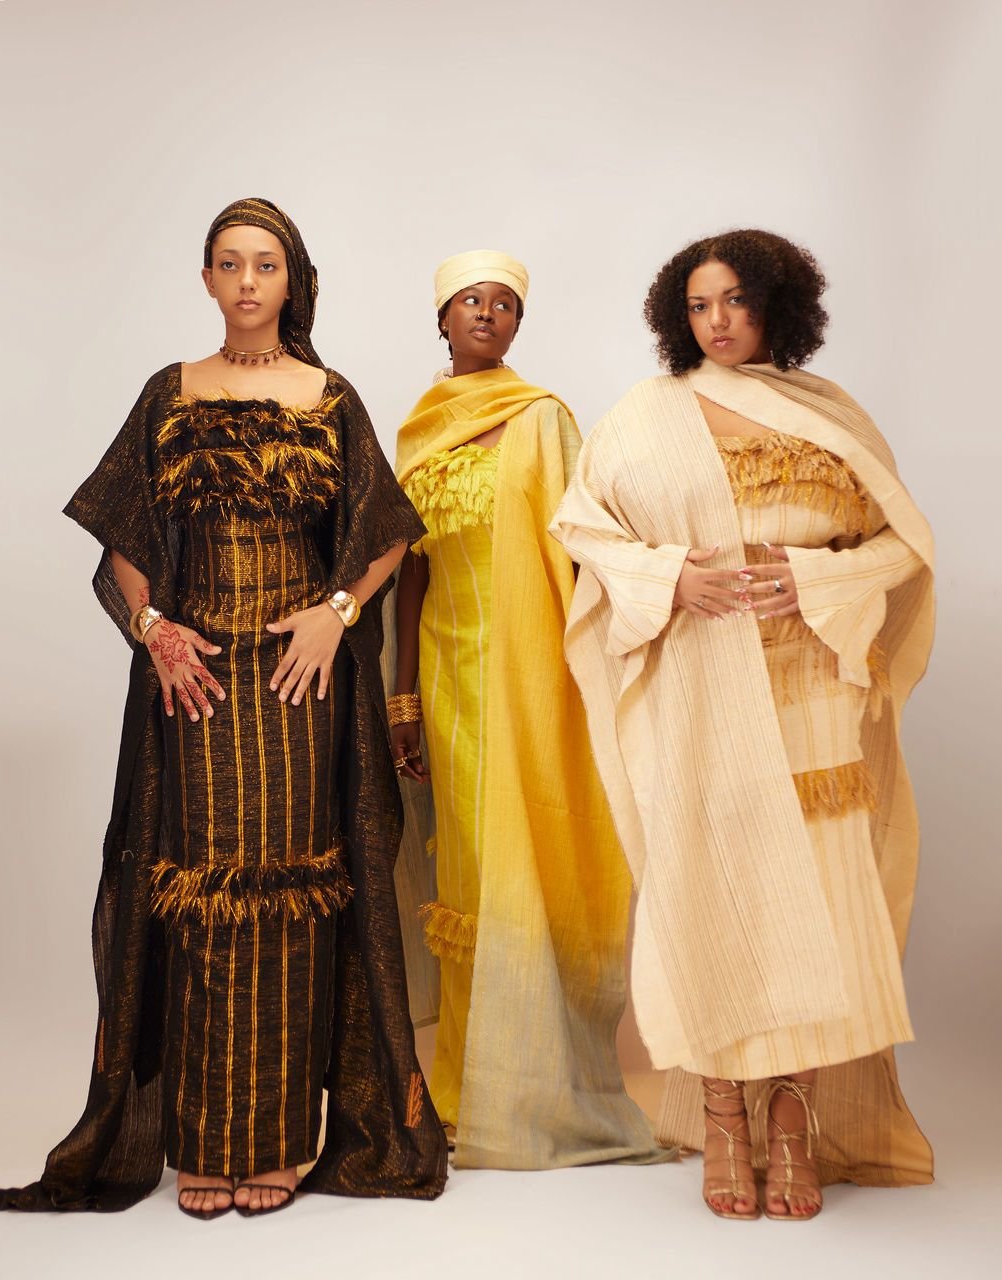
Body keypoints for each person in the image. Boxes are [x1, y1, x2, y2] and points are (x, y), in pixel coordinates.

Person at [0, 198, 446, 1219]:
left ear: (291, 281)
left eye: (264, 264)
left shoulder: (330, 397)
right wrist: (155, 632)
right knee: (193, 897)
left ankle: (275, 1142)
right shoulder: (168, 392)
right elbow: (125, 541)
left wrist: (334, 615)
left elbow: (386, 535)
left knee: (298, 894)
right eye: (229, 264)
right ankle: (207, 1142)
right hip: (195, 683)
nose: (246, 282)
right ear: (205, 279)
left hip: (300, 682)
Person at [551, 229, 934, 1220]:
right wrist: (668, 577)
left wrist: (812, 579)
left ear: (776, 304)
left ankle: (793, 1120)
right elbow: (580, 526)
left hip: (808, 693)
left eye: (733, 300)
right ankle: (724, 1115)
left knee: (812, 898)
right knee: (707, 888)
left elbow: (902, 543)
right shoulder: (646, 412)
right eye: (697, 305)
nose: (716, 321)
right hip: (695, 685)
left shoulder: (829, 414)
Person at [390, 250, 666, 1170]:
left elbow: (585, 546)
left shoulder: (544, 419)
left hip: (535, 669)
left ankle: (533, 1083)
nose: (487, 313)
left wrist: (607, 662)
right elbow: (408, 570)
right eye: (470, 300)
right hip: (447, 676)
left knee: (532, 857)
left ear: (518, 324)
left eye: (504, 303)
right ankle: (466, 1084)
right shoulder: (419, 431)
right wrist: (401, 695)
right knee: (467, 867)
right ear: (442, 318)